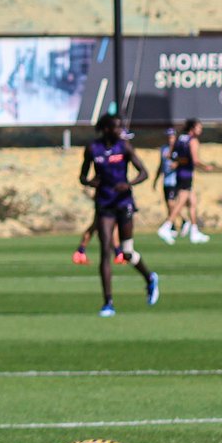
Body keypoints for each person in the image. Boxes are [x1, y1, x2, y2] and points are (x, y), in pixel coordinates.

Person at [79, 113, 159, 317]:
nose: (120, 130)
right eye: (116, 127)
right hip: (104, 204)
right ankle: (108, 303)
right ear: (106, 129)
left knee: (127, 252)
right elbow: (82, 176)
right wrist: (90, 182)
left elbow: (144, 172)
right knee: (105, 251)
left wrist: (129, 184)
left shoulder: (124, 147)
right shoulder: (93, 149)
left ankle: (150, 278)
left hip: (123, 202)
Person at [157, 118, 212, 244]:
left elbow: (170, 156)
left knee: (192, 202)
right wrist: (206, 167)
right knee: (181, 201)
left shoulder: (180, 138)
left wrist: (181, 161)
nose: (201, 130)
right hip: (186, 174)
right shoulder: (193, 141)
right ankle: (166, 226)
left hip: (180, 173)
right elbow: (195, 160)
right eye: (199, 128)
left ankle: (194, 231)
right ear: (192, 129)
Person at [151, 127, 179, 243]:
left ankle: (174, 224)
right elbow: (161, 165)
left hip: (175, 180)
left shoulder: (179, 148)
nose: (170, 138)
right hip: (166, 180)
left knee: (172, 203)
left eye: (172, 136)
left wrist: (176, 164)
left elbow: (185, 161)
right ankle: (175, 226)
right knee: (169, 205)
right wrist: (156, 180)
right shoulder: (163, 149)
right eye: (168, 136)